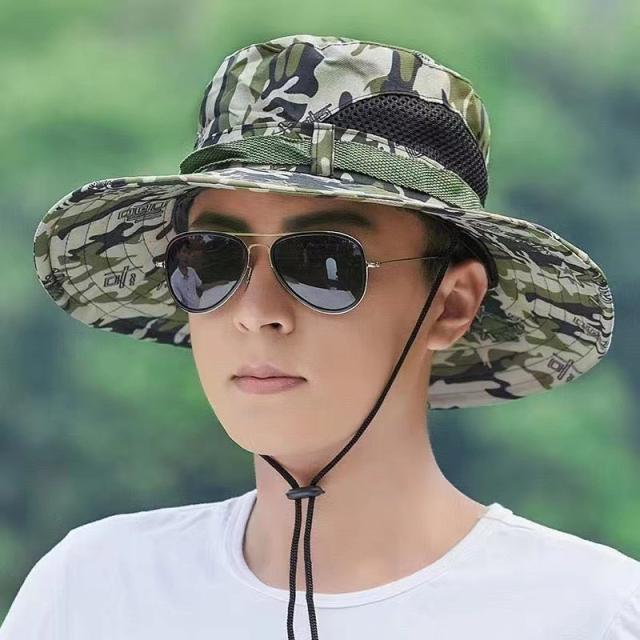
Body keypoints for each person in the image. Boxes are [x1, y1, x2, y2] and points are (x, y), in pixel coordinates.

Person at [5, 34, 638, 639]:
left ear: (450, 305)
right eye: (211, 259)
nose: (257, 313)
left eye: (324, 263)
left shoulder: (593, 615)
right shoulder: (92, 594)